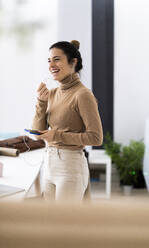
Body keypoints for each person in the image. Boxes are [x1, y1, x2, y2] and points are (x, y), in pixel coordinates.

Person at [32, 40, 103, 201]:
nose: (51, 65)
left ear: (73, 62)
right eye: (49, 60)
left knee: (64, 224)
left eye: (57, 59)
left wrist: (56, 135)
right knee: (50, 223)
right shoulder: (52, 93)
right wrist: (41, 102)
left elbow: (96, 138)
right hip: (49, 165)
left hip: (70, 167)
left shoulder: (83, 94)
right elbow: (37, 135)